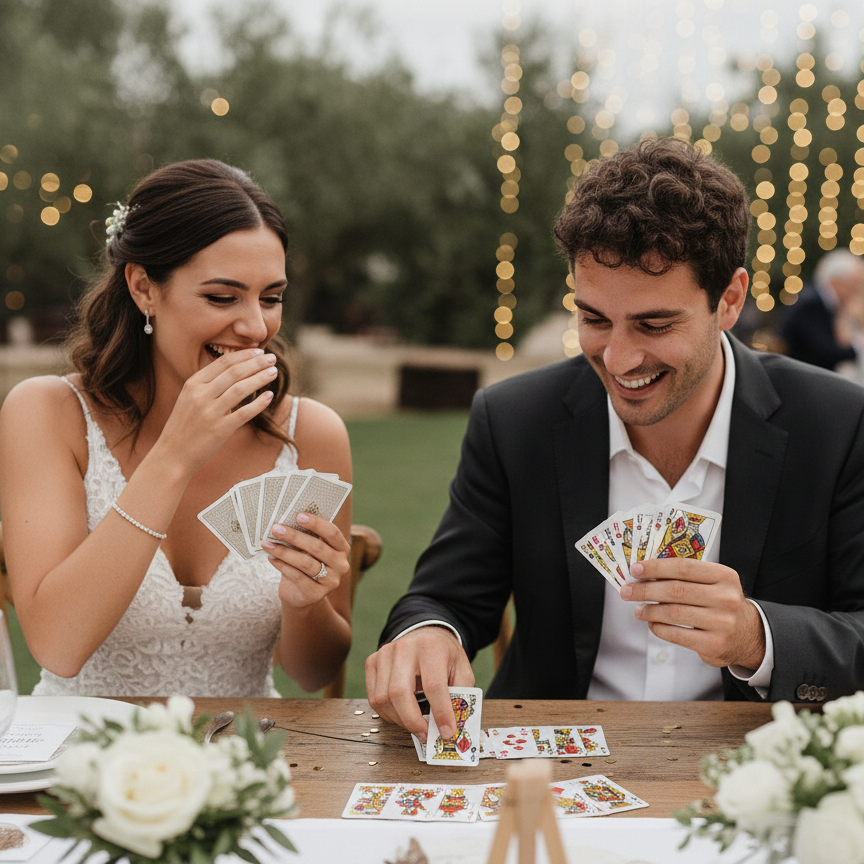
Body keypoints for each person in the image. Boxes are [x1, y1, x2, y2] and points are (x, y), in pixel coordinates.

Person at [366, 138, 864, 743]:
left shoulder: (837, 423)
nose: (619, 358)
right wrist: (426, 632)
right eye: (595, 319)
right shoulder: (515, 419)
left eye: (654, 323)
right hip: (551, 775)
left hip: (752, 772)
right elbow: (443, 595)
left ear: (729, 300)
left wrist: (756, 636)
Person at [0, 159, 353, 697]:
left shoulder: (312, 434)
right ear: (144, 287)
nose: (256, 327)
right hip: (83, 761)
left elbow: (313, 673)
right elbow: (57, 646)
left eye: (271, 298)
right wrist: (176, 454)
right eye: (222, 297)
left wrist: (304, 603)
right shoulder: (47, 414)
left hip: (244, 758)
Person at [779, 247, 864, 374]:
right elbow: (823, 352)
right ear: (836, 282)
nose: (854, 292)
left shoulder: (819, 300)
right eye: (852, 286)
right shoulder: (811, 305)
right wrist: (858, 347)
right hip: (803, 378)